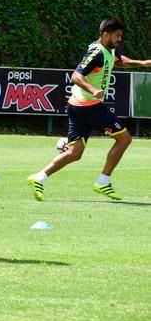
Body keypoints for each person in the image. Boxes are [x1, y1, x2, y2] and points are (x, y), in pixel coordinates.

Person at [28, 18, 151, 201]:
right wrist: (94, 90)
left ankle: (39, 177)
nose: (120, 39)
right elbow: (76, 75)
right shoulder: (97, 53)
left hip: (78, 105)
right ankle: (103, 181)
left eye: (121, 36)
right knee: (124, 138)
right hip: (89, 106)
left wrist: (141, 63)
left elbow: (118, 60)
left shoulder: (108, 50)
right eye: (117, 35)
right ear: (105, 34)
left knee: (74, 153)